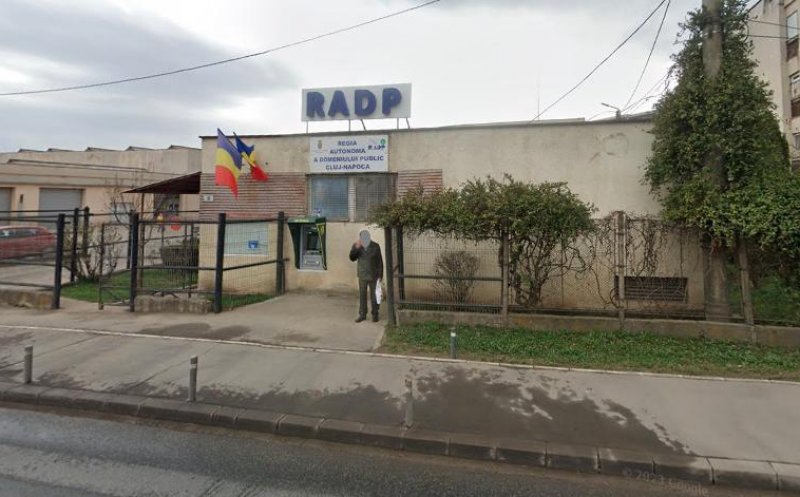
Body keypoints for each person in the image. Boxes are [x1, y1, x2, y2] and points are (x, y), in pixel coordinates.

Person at [349, 230, 383, 323]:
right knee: (362, 295)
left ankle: (375, 314)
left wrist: (380, 275)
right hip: (362, 275)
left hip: (373, 275)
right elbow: (352, 258)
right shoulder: (357, 246)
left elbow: (380, 261)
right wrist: (356, 248)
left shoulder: (375, 246)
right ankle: (362, 314)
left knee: (374, 296)